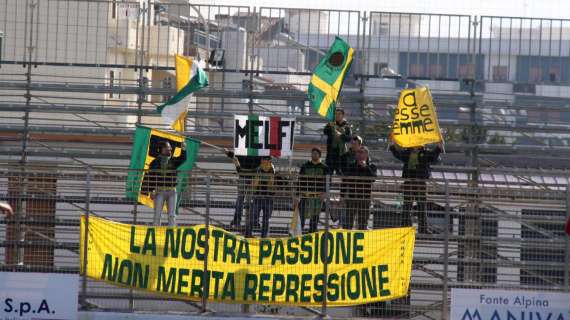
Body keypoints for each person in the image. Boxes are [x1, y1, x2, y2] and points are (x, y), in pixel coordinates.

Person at [390, 142, 442, 233]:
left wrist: (439, 147)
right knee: (407, 206)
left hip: (420, 183)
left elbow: (433, 157)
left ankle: (422, 228)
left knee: (421, 206)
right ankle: (406, 227)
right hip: (409, 182)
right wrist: (392, 146)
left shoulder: (425, 153)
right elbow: (398, 154)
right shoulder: (407, 152)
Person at [144, 141, 186, 227]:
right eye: (168, 148)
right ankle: (156, 235)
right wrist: (151, 190)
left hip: (172, 192)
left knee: (172, 215)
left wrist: (184, 149)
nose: (170, 149)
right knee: (157, 215)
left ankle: (171, 235)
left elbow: (183, 158)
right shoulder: (154, 162)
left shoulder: (173, 160)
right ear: (162, 149)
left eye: (170, 148)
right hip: (159, 191)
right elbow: (150, 176)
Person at [231, 155, 276, 237]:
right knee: (253, 218)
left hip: (267, 198)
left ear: (270, 161)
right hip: (258, 197)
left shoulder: (273, 171)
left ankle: (263, 237)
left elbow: (278, 185)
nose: (265, 162)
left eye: (267, 160)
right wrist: (237, 165)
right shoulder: (258, 170)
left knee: (265, 220)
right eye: (263, 159)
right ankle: (250, 235)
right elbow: (244, 172)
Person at [341, 146, 377, 230]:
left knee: (363, 223)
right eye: (358, 152)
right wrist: (342, 195)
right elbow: (344, 181)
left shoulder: (372, 166)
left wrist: (365, 167)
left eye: (362, 152)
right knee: (348, 223)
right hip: (352, 197)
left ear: (367, 155)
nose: (360, 154)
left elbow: (373, 178)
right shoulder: (351, 166)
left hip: (365, 198)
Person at [298, 147, 330, 233]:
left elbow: (328, 182)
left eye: (316, 153)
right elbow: (300, 181)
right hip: (305, 196)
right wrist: (297, 195)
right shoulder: (305, 166)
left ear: (319, 155)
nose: (314, 155)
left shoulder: (325, 168)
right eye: (313, 153)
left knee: (314, 218)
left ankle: (312, 233)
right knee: (302, 216)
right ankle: (299, 234)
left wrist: (325, 193)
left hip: (317, 197)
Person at [225, 150, 260, 227]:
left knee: (240, 199)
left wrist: (229, 153)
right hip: (253, 177)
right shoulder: (257, 149)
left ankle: (237, 221)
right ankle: (253, 221)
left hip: (243, 175)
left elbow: (235, 157)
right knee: (252, 200)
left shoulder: (243, 148)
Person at [323, 108, 352, 174]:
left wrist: (341, 135)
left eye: (339, 114)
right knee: (328, 173)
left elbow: (349, 138)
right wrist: (329, 126)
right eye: (336, 114)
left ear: (343, 115)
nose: (337, 115)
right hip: (331, 153)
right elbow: (325, 132)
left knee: (343, 173)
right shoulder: (331, 123)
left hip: (342, 154)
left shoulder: (347, 126)